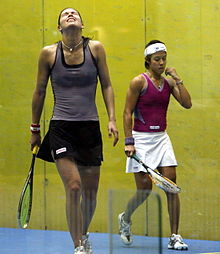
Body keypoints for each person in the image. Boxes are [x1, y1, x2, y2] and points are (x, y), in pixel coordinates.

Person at [30, 7, 118, 254]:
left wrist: (112, 119)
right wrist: (34, 128)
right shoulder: (48, 54)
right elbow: (39, 91)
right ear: (59, 27)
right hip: (61, 128)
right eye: (64, 14)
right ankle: (78, 245)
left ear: (82, 24)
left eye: (74, 14)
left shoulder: (96, 49)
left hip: (90, 128)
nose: (70, 15)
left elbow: (107, 85)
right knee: (74, 186)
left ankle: (83, 233)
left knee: (90, 195)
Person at [118, 40, 192, 250]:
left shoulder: (169, 84)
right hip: (140, 140)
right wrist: (129, 141)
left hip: (161, 139)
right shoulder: (138, 82)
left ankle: (175, 236)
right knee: (144, 190)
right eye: (157, 59)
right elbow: (126, 113)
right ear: (148, 61)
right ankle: (126, 217)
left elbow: (187, 104)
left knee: (172, 187)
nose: (161, 63)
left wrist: (178, 80)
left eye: (164, 59)